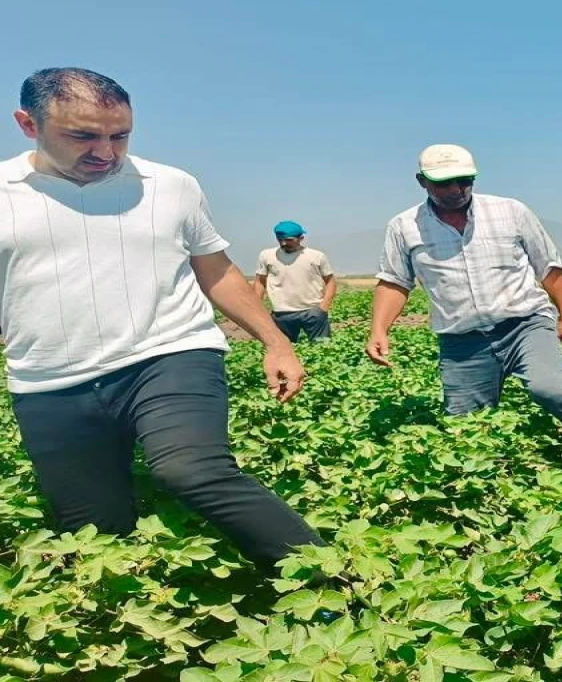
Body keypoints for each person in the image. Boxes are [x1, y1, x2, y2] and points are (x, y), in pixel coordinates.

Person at [1, 67, 325, 568]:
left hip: (168, 354)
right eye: (83, 136)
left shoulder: (170, 185)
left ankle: (333, 580)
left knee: (192, 469)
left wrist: (275, 341)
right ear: (29, 124)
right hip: (49, 380)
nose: (105, 152)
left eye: (120, 135)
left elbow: (216, 269)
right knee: (91, 530)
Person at [365, 143, 562, 465]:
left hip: (525, 323)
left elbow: (549, 267)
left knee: (549, 387)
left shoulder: (510, 211)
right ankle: (491, 478)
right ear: (422, 181)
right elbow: (394, 282)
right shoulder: (404, 227)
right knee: (465, 429)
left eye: (464, 180)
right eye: (444, 183)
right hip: (462, 340)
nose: (456, 189)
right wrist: (379, 330)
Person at [253, 220, 337, 342]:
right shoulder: (266, 256)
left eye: (289, 240)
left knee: (322, 347)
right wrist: (257, 308)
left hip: (313, 311)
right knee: (283, 349)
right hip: (281, 314)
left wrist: (323, 307)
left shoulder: (316, 256)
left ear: (301, 238)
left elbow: (330, 282)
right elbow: (260, 282)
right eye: (280, 239)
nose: (283, 243)